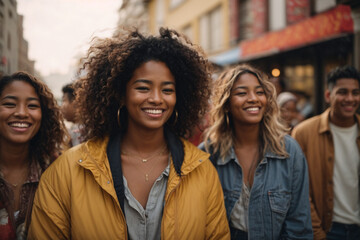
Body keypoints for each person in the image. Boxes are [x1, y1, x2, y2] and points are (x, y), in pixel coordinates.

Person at [28, 28, 230, 239]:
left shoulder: (203, 170)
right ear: (120, 95)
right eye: (143, 88)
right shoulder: (67, 171)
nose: (156, 98)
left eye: (167, 90)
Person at [199, 64, 313, 239]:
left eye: (259, 92)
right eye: (242, 93)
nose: (253, 98)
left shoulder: (289, 151)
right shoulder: (208, 155)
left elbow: (298, 225)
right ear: (226, 103)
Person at [292, 65, 360, 240]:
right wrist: (318, 234)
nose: (350, 99)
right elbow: (299, 190)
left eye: (355, 93)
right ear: (328, 95)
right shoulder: (304, 133)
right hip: (327, 229)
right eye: (343, 92)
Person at [0, 72, 67, 239]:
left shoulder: (57, 168)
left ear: (43, 115)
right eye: (9, 104)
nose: (22, 113)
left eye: (32, 106)